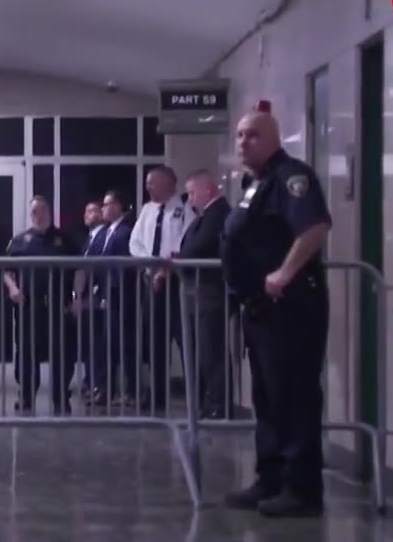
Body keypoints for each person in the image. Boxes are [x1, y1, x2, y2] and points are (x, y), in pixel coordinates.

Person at [221, 103, 332, 518]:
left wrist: (284, 273)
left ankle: (302, 488)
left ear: (273, 138)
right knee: (267, 397)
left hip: (291, 306)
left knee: (295, 395)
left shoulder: (292, 177)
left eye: (252, 134)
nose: (243, 142)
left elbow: (315, 227)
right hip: (260, 310)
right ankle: (271, 478)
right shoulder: (256, 184)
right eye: (239, 135)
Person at [3, 196, 81, 415]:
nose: (39, 214)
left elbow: (80, 269)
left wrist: (77, 296)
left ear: (49, 211)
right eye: (35, 211)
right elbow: (6, 270)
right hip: (29, 307)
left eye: (43, 210)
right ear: (30, 214)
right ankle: (27, 397)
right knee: (27, 354)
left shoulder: (65, 239)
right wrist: (12, 288)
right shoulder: (19, 240)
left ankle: (60, 398)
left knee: (62, 354)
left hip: (59, 306)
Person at [128, 165, 195, 410]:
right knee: (155, 341)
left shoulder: (185, 208)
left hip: (176, 282)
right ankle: (156, 395)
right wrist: (150, 267)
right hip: (150, 282)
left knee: (184, 338)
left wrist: (165, 269)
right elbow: (135, 243)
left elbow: (185, 241)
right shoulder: (147, 210)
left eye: (152, 182)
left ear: (169, 182)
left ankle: (194, 396)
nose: (147, 187)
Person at [177, 169, 233, 420]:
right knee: (202, 351)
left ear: (208, 189)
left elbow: (198, 247)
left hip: (209, 292)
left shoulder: (218, 214)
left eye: (191, 193)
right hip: (199, 292)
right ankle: (211, 400)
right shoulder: (205, 216)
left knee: (212, 351)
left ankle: (220, 404)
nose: (189, 199)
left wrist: (181, 258)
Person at [73, 190, 136, 407]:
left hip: (118, 296)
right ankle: (104, 389)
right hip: (104, 295)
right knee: (105, 344)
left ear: (118, 206)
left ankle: (129, 390)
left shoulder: (124, 232)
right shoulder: (108, 233)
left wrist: (108, 290)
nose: (103, 209)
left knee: (121, 344)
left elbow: (121, 266)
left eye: (107, 205)